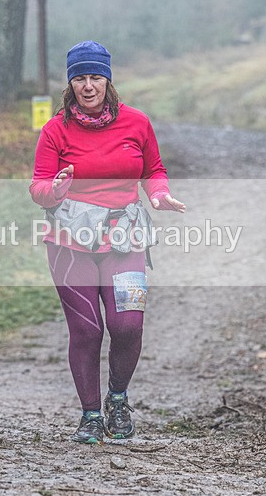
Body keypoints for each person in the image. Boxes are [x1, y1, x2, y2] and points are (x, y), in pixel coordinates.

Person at [29, 41, 185, 443]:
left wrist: (159, 194)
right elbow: (39, 188)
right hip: (69, 242)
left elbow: (154, 169)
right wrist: (56, 189)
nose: (88, 86)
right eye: (79, 78)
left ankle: (118, 397)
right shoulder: (55, 129)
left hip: (125, 237)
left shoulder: (136, 123)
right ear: (70, 83)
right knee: (86, 331)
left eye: (95, 77)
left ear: (108, 79)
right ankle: (91, 415)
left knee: (128, 325)